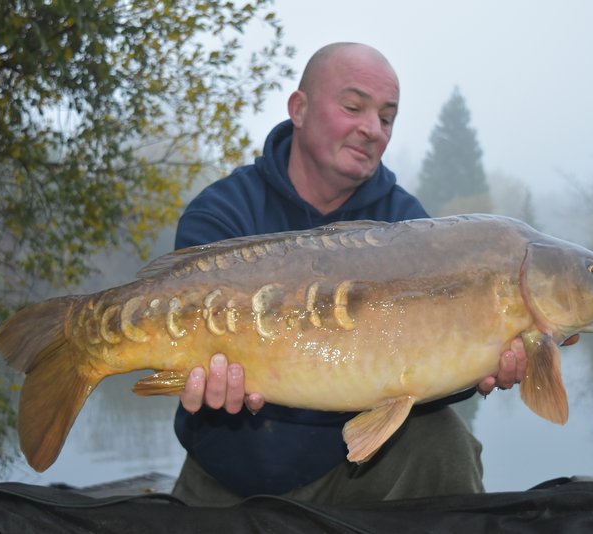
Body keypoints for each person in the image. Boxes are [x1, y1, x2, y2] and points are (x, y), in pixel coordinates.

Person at [170, 42, 527, 506]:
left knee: (444, 441)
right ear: (299, 109)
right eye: (354, 107)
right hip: (227, 475)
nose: (372, 129)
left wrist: (482, 363)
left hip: (356, 471)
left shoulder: (409, 228)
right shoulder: (224, 212)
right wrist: (198, 375)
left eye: (387, 118)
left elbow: (422, 375)